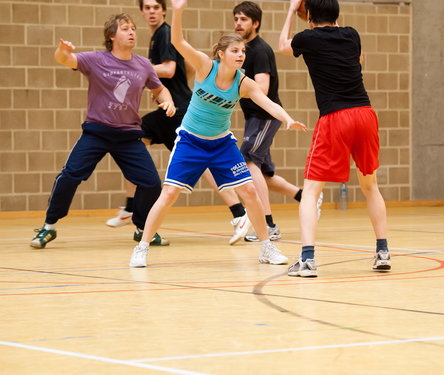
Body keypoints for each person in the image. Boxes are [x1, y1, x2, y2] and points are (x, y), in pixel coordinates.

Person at [129, 0, 306, 268]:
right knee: (168, 195)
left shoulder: (243, 82)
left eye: (243, 51)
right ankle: (142, 247)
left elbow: (268, 102)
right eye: (235, 51)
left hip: (222, 144)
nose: (240, 55)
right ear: (221, 54)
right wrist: (177, 11)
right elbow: (178, 42)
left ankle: (266, 247)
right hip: (191, 141)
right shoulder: (204, 66)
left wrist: (289, 118)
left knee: (249, 191)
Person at [106, 0, 252, 246]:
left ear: (164, 10)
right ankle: (131, 206)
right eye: (147, 8)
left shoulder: (164, 33)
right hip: (166, 110)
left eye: (156, 7)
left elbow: (170, 68)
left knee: (203, 165)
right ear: (142, 12)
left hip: (180, 110)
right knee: (132, 139)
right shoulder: (155, 37)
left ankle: (239, 213)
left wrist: (135, 69)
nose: (151, 12)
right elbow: (184, 69)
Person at [30, 13, 175, 249]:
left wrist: (167, 101)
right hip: (96, 133)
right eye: (125, 29)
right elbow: (65, 60)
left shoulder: (143, 64)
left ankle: (142, 229)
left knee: (151, 183)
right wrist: (63, 51)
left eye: (133, 29)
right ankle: (48, 227)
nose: (131, 33)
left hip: (128, 136)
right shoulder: (96, 60)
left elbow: (159, 89)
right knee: (69, 176)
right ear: (111, 35)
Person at [278, 0, 391, 277]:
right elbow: (359, 59)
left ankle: (306, 260)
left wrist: (292, 9)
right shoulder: (352, 34)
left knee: (312, 190)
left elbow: (282, 45)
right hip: (365, 114)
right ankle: (382, 251)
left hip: (335, 118)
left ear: (310, 15)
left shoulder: (307, 38)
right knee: (370, 185)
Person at [233, 1, 323, 242]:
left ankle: (268, 225)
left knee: (248, 162)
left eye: (243, 19)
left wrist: (233, 86)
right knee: (265, 175)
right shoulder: (244, 48)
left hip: (264, 117)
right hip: (254, 118)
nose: (238, 23)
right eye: (236, 19)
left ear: (256, 23)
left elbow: (262, 87)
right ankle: (306, 197)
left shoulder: (260, 50)